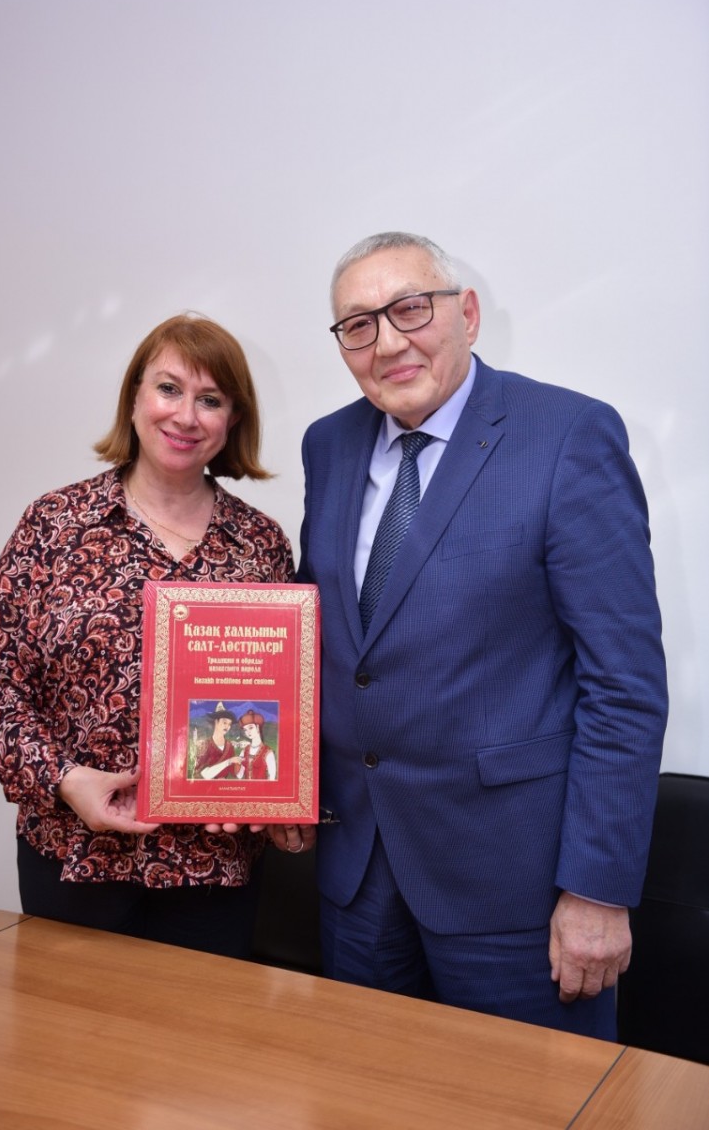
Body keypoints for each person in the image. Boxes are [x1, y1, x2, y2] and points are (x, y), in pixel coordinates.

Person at [275, 231, 667, 1039]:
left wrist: (596, 889)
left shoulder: (567, 435)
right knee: (364, 1090)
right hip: (356, 872)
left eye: (409, 309)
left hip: (514, 884)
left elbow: (622, 684)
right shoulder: (329, 445)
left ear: (468, 315)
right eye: (358, 325)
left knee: (531, 1097)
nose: (388, 343)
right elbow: (332, 645)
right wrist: (280, 779)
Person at [0, 313, 294, 959]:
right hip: (74, 853)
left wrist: (265, 789)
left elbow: (283, 696)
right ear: (135, 397)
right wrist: (61, 778)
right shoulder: (55, 524)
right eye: (169, 388)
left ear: (232, 419)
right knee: (66, 1025)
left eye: (210, 399)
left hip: (214, 865)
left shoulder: (259, 544)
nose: (186, 416)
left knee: (200, 1025)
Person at [194, 702, 242, 780]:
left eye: (229, 724)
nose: (227, 726)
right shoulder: (205, 745)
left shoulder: (229, 746)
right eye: (224, 722)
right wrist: (229, 761)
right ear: (216, 721)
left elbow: (233, 772)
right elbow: (202, 773)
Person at [237, 710, 277, 780]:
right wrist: (237, 763)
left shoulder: (268, 752)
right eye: (245, 730)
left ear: (258, 727)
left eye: (250, 728)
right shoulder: (244, 751)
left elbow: (272, 778)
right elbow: (239, 776)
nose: (248, 732)